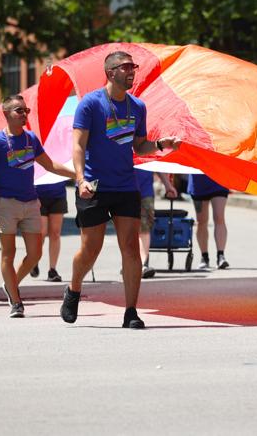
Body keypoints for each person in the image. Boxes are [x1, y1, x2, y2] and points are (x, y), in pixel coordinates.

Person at [61, 50, 181, 329]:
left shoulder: (137, 106)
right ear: (110, 72)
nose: (132, 72)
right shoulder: (90, 104)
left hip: (126, 185)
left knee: (130, 247)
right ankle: (74, 288)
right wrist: (80, 180)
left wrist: (162, 145)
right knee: (91, 249)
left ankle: (131, 311)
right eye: (126, 67)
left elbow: (140, 146)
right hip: (95, 186)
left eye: (133, 67)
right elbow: (78, 145)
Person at [0, 95, 75, 318]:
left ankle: (11, 283)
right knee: (9, 254)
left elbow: (50, 164)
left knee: (35, 254)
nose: (24, 115)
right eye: (18, 111)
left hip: (31, 202)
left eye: (26, 110)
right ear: (6, 114)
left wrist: (78, 175)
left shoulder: (31, 139)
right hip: (6, 203)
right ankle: (15, 300)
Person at [137, 169, 177, 278]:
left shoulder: (147, 151)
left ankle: (143, 264)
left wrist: (168, 185)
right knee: (128, 229)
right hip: (124, 190)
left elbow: (156, 164)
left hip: (145, 192)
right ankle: (131, 262)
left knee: (144, 228)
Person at [187, 174, 230, 270]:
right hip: (198, 180)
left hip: (219, 177)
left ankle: (220, 256)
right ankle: (204, 257)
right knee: (201, 221)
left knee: (219, 217)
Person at [33, 181, 69, 282]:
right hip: (37, 195)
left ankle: (52, 270)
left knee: (55, 233)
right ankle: (33, 260)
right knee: (42, 232)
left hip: (58, 195)